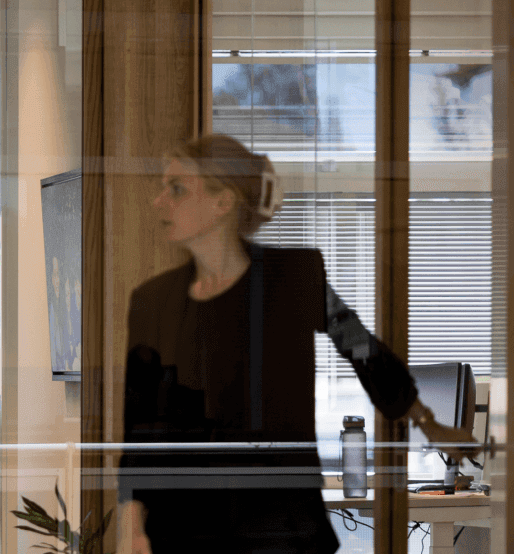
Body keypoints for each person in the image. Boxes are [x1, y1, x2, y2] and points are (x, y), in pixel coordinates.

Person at [119, 135, 479, 554]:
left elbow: (361, 349)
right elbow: (140, 426)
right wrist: (133, 526)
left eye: (177, 188)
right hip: (185, 527)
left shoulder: (292, 279)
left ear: (224, 202)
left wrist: (428, 423)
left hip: (279, 522)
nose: (159, 202)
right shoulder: (152, 301)